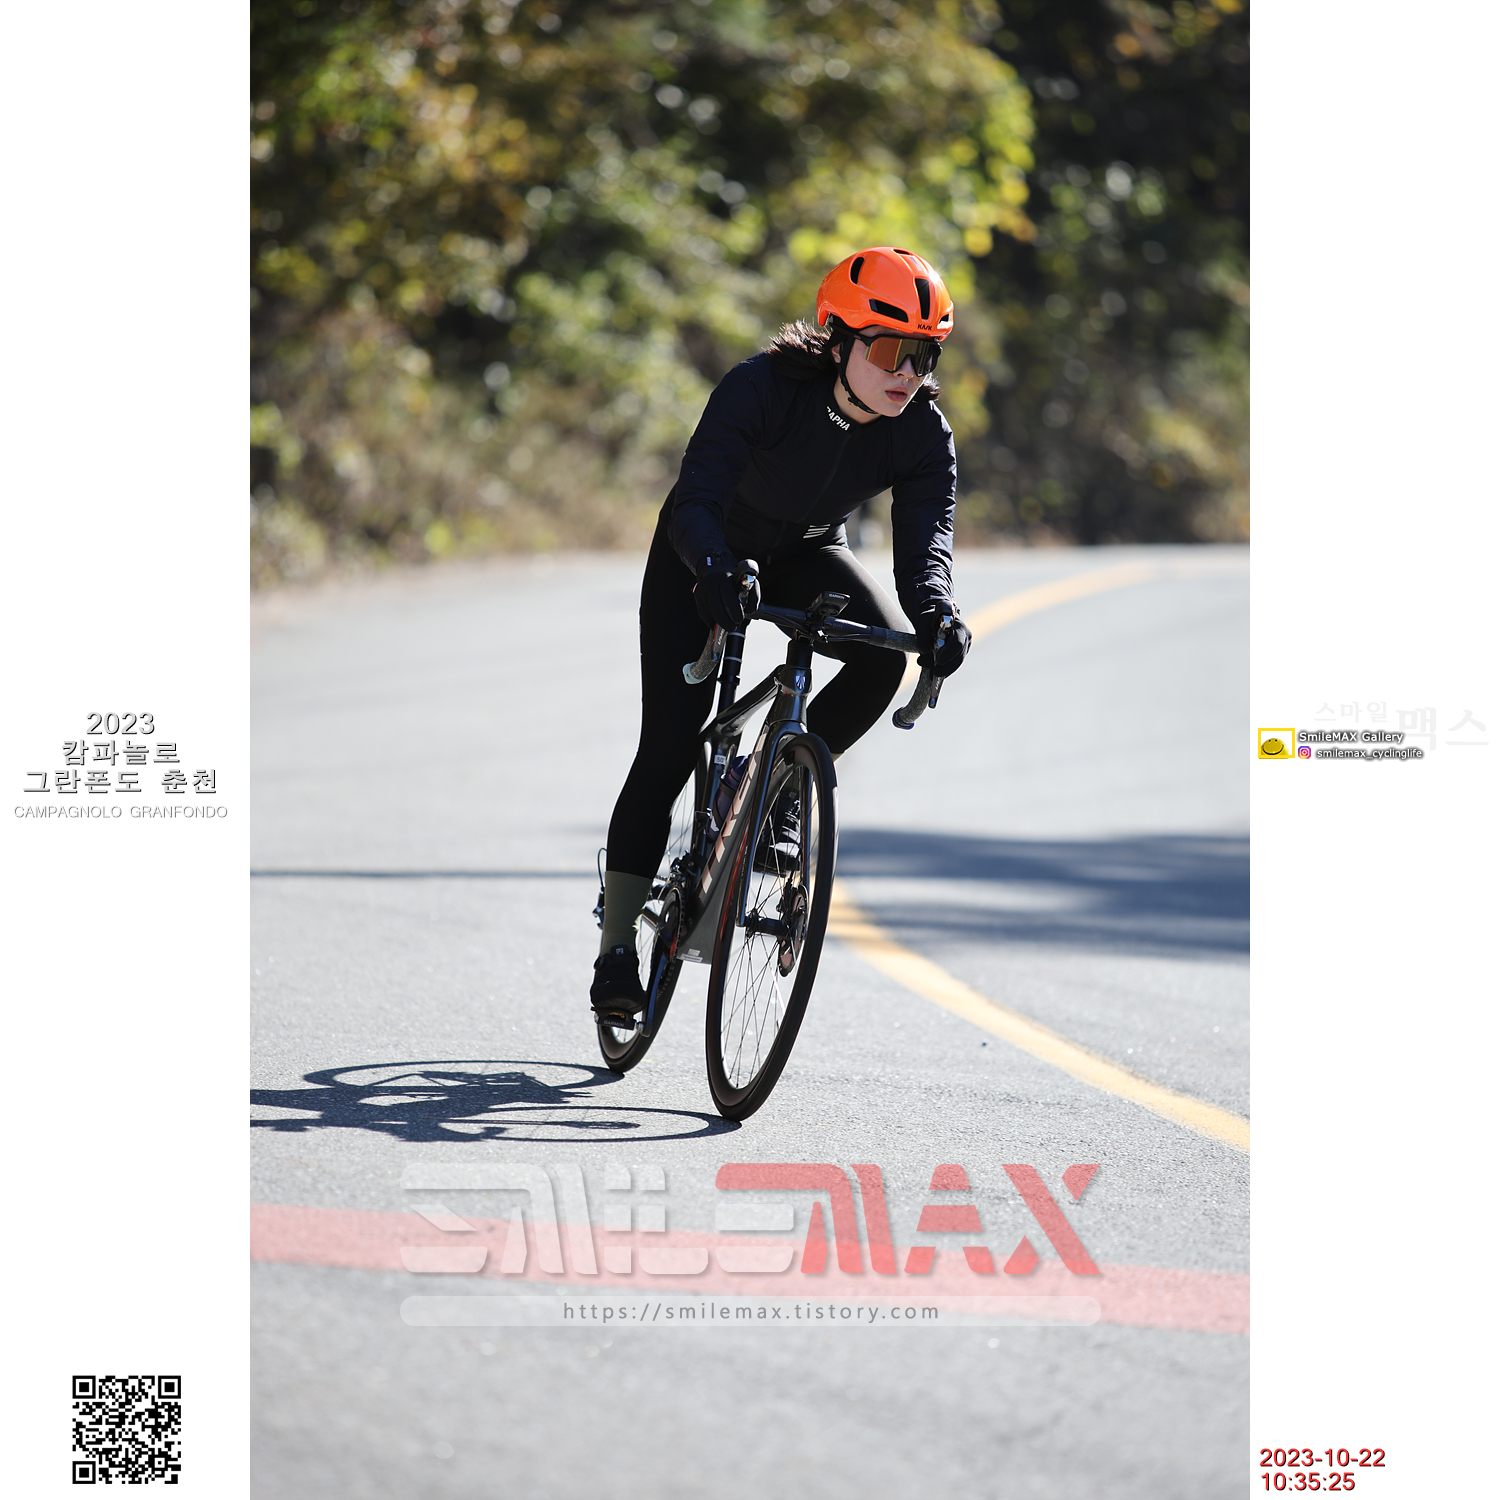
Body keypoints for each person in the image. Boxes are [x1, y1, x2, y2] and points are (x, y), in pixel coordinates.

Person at [591, 246, 974, 1023]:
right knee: (669, 745)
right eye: (891, 351)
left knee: (880, 656)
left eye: (925, 354)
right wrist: (713, 568)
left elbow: (924, 549)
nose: (908, 372)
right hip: (701, 549)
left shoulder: (921, 434)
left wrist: (938, 613)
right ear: (839, 341)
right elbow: (698, 496)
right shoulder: (760, 387)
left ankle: (771, 796)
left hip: (804, 552)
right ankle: (617, 947)